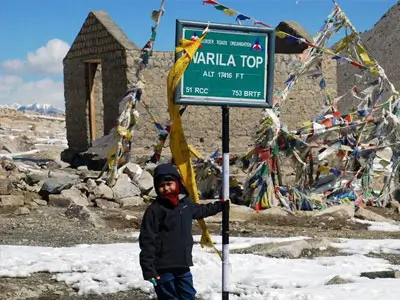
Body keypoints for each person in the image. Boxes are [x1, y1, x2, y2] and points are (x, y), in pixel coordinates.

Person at [139, 163, 225, 300]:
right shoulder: (154, 210)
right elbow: (147, 240)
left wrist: (220, 206)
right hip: (162, 267)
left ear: (177, 183)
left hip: (183, 265)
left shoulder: (185, 204)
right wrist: (148, 269)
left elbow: (201, 210)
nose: (166, 188)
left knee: (188, 296)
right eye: (161, 186)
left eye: (169, 184)